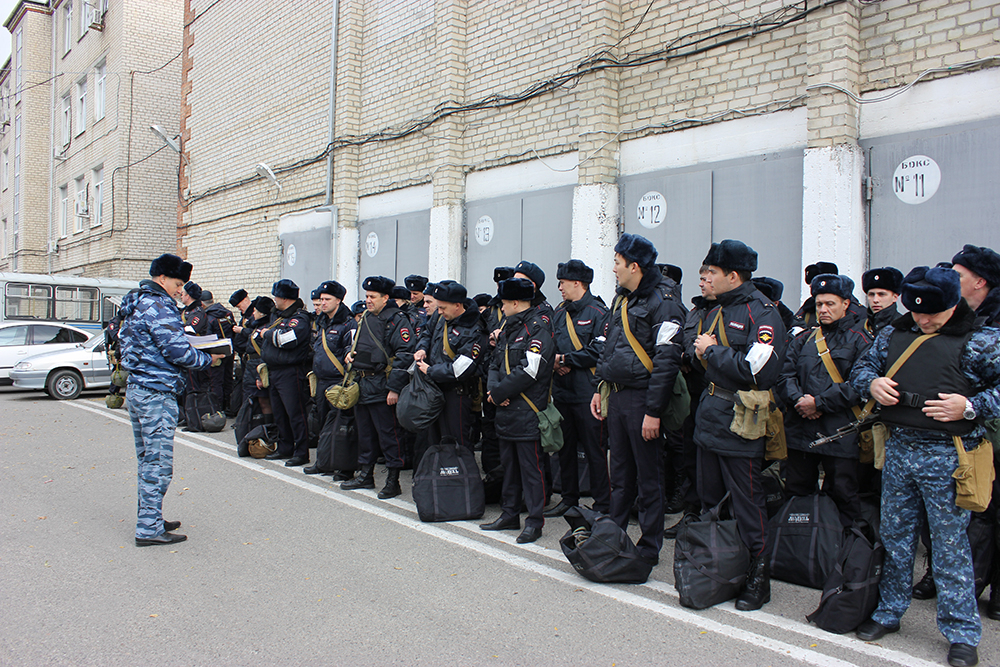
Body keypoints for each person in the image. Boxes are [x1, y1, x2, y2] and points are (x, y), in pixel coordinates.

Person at [850, 266, 1000, 667]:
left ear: (955, 303)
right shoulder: (894, 334)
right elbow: (862, 369)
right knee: (897, 538)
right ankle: (889, 611)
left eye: (933, 314)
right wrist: (872, 384)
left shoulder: (982, 341)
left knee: (950, 549)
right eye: (917, 313)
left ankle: (962, 632)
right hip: (899, 450)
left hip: (950, 454)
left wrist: (970, 406)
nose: (924, 320)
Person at [692, 239, 785, 610]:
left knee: (748, 504)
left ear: (732, 275)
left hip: (741, 422)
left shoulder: (763, 314)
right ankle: (722, 567)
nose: (707, 280)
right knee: (710, 499)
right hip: (710, 415)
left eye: (712, 273)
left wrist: (710, 351)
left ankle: (759, 577)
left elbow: (756, 369)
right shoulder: (718, 309)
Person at [590, 234, 686, 565]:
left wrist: (653, 411)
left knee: (649, 478)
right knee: (620, 473)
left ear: (634, 266)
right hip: (616, 397)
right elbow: (612, 348)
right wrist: (600, 387)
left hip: (643, 400)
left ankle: (649, 545)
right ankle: (613, 534)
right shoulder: (622, 300)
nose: (613, 269)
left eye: (617, 263)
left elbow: (667, 360)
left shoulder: (665, 302)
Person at [118, 254, 223, 546]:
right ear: (162, 278)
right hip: (156, 392)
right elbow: (177, 351)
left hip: (139, 388)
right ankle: (149, 530)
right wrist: (208, 358)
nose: (181, 290)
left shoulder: (136, 302)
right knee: (159, 464)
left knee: (147, 460)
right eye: (178, 284)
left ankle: (150, 517)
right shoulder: (159, 306)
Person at [776, 274, 872, 526]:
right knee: (797, 493)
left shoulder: (860, 341)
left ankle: (847, 552)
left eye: (830, 304)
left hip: (839, 432)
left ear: (846, 304)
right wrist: (799, 400)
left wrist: (818, 403)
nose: (823, 310)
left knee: (843, 495)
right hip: (801, 432)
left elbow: (859, 384)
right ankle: (799, 549)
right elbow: (785, 375)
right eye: (819, 304)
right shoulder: (804, 338)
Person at [482, 277, 555, 544]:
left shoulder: (538, 329)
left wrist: (500, 392)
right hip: (505, 411)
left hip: (526, 410)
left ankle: (534, 522)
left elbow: (531, 370)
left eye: (503, 304)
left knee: (531, 469)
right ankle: (509, 513)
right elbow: (494, 364)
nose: (500, 308)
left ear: (515, 302)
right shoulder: (509, 329)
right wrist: (493, 392)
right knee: (509, 467)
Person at [546, 259, 611, 517]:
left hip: (587, 394)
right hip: (563, 391)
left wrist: (565, 360)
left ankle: (603, 505)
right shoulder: (559, 313)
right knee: (565, 450)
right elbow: (550, 346)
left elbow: (599, 350)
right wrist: (555, 362)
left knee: (595, 452)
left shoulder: (598, 312)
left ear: (577, 283)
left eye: (562, 283)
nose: (560, 287)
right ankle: (568, 500)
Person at [341, 276, 414, 499]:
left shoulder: (396, 320)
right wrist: (349, 354)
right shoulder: (365, 317)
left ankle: (393, 481)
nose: (368, 301)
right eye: (366, 296)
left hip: (383, 385)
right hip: (363, 383)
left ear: (386, 298)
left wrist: (394, 388)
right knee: (366, 434)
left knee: (389, 435)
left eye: (372, 297)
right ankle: (366, 475)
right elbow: (359, 344)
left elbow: (404, 354)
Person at [414, 281, 487, 450]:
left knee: (457, 442)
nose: (439, 312)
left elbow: (461, 368)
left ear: (457, 305)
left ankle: (461, 476)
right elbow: (427, 333)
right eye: (438, 307)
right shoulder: (440, 317)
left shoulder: (474, 329)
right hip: (434, 391)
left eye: (443, 308)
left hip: (457, 394)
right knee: (434, 441)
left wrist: (430, 370)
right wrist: (422, 349)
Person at [259, 279, 313, 467]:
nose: (274, 299)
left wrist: (266, 334)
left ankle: (301, 452)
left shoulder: (300, 318)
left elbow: (286, 340)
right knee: (280, 413)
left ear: (284, 297)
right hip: (274, 371)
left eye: (276, 296)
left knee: (295, 414)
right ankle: (285, 447)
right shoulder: (278, 316)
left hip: (290, 372)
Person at [305, 280, 356, 478]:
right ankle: (323, 462)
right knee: (322, 423)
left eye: (327, 299)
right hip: (322, 381)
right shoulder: (322, 321)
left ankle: (345, 468)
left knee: (342, 426)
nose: (323, 303)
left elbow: (349, 351)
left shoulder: (348, 323)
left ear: (338, 300)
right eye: (321, 299)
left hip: (339, 382)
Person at [862, 267, 904, 336]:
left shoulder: (903, 329)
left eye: (881, 294)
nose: (875, 300)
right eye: (871, 294)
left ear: (895, 297)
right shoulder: (857, 329)